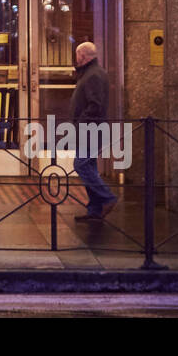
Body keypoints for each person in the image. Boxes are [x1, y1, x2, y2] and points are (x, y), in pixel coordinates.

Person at [70, 41, 118, 221]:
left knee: (81, 165)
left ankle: (107, 198)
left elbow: (95, 105)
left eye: (77, 55)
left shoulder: (93, 75)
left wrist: (80, 122)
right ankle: (95, 209)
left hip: (89, 129)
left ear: (82, 55)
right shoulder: (92, 73)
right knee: (88, 166)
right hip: (90, 128)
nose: (76, 59)